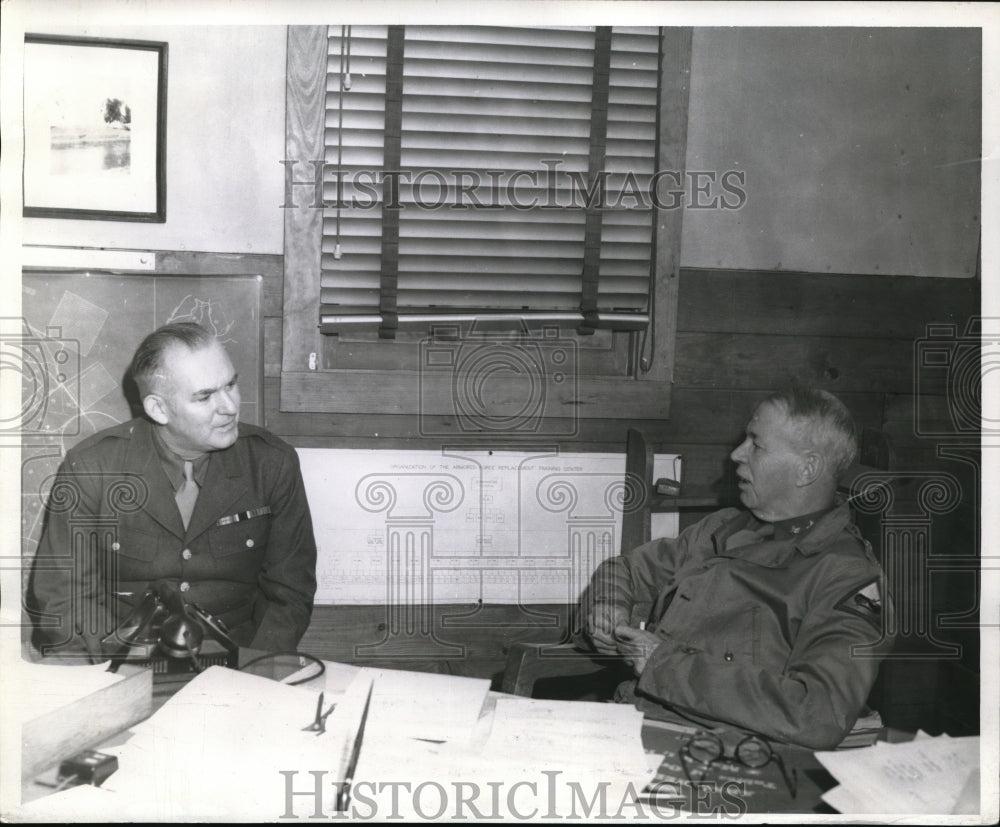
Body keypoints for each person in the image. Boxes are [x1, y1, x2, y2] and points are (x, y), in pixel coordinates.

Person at [582, 388, 895, 750]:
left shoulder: (848, 577)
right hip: (638, 723)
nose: (735, 454)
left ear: (807, 468)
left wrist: (662, 664)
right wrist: (610, 605)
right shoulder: (723, 527)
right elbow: (625, 568)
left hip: (731, 756)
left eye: (756, 445)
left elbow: (818, 713)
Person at [30, 322, 317, 659]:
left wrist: (254, 671)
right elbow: (65, 596)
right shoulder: (94, 467)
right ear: (158, 409)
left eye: (231, 384)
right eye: (205, 395)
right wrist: (116, 671)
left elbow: (289, 592)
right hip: (117, 658)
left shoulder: (272, 464)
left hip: (238, 662)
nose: (229, 406)